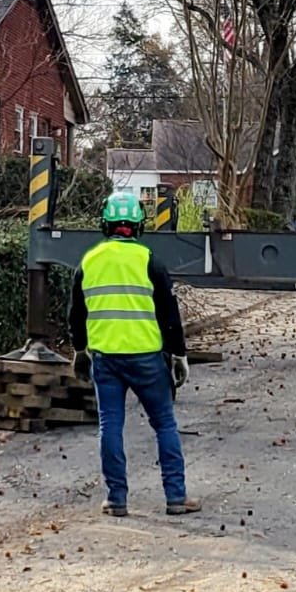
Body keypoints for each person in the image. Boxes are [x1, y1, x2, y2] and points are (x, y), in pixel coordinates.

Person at [70, 191, 199, 517]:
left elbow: (76, 314)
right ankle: (176, 497)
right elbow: (170, 314)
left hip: (106, 359)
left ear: (105, 223)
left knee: (110, 426)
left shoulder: (88, 262)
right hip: (147, 359)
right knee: (165, 425)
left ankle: (116, 499)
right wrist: (179, 355)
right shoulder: (149, 261)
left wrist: (79, 351)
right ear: (139, 225)